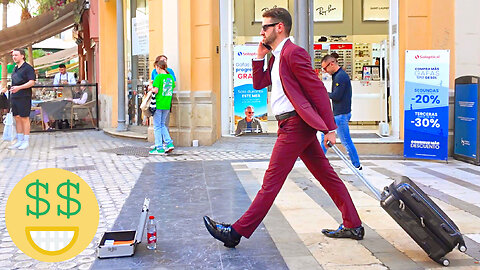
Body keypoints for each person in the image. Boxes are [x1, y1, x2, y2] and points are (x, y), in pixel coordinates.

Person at [203, 8, 364, 248]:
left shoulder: (293, 53)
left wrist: (330, 128)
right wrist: (259, 56)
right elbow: (259, 83)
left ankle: (236, 232)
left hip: (295, 126)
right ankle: (353, 223)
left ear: (279, 27)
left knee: (271, 181)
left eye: (265, 26)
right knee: (327, 176)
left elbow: (317, 90)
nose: (261, 31)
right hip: (292, 125)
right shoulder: (278, 56)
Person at [320, 55, 362, 174]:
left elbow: (337, 96)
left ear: (332, 63)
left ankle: (356, 166)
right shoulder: (337, 75)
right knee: (325, 138)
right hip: (338, 114)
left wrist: (323, 93)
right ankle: (318, 162)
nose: (325, 71)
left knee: (346, 141)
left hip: (341, 115)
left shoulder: (341, 77)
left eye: (325, 68)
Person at [7, 48, 36, 150]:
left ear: (22, 56)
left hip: (24, 96)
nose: (14, 57)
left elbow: (32, 82)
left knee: (24, 118)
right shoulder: (15, 68)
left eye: (16, 55)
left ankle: (26, 140)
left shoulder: (28, 68)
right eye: (13, 55)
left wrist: (19, 87)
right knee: (17, 118)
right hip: (14, 96)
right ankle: (19, 140)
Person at [149, 60, 175, 155]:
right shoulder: (170, 77)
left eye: (156, 67)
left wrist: (150, 88)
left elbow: (155, 90)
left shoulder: (158, 77)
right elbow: (172, 87)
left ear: (158, 67)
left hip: (158, 104)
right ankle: (169, 143)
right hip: (167, 104)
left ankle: (159, 147)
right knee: (162, 124)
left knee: (157, 126)